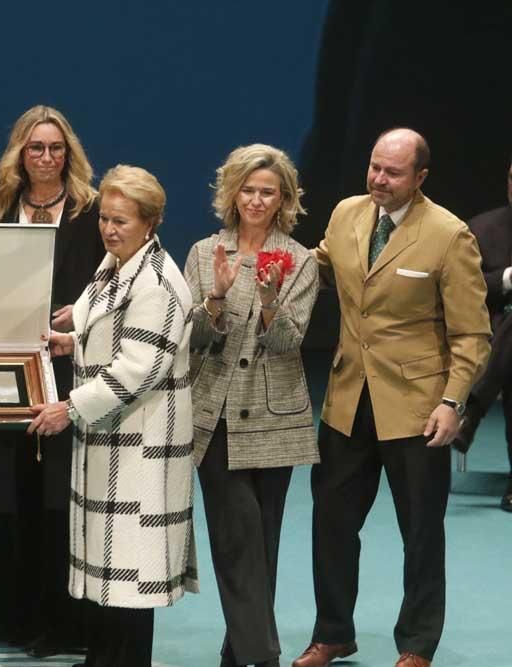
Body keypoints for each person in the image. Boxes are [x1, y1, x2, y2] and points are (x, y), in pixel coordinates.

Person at [292, 128, 491, 667]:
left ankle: (417, 644)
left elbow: (472, 335)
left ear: (420, 178)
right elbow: (324, 267)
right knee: (331, 525)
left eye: (393, 172)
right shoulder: (347, 214)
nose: (379, 179)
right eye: (375, 167)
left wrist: (453, 402)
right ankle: (333, 632)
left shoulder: (450, 235)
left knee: (421, 535)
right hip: (346, 399)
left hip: (418, 408)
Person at [29, 165, 198, 667]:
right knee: (110, 578)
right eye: (105, 217)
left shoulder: (160, 284)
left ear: (152, 223)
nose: (109, 229)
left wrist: (68, 409)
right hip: (108, 444)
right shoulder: (114, 264)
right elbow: (99, 329)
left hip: (141, 450)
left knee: (131, 580)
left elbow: (135, 372)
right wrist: (69, 342)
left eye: (121, 220)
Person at [185, 144, 319, 667]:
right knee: (235, 537)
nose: (257, 200)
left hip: (275, 419)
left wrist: (268, 302)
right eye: (248, 189)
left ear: (283, 198)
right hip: (214, 417)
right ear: (232, 193)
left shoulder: (301, 259)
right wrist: (215, 298)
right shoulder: (204, 253)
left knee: (261, 543)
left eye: (268, 191)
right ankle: (262, 657)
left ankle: (235, 654)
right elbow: (193, 339)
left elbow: (288, 342)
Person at [0, 105, 104, 657]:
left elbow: (110, 289)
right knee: (12, 493)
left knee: (60, 496)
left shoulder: (91, 213)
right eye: (36, 148)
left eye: (56, 149)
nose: (47, 158)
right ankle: (16, 619)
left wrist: (78, 315)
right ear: (20, 155)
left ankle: (64, 624)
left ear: (69, 155)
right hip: (8, 371)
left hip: (70, 369)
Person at [453, 156, 512, 512]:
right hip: (492, 332)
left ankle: (472, 408)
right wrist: (507, 279)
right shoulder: (481, 229)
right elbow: (465, 289)